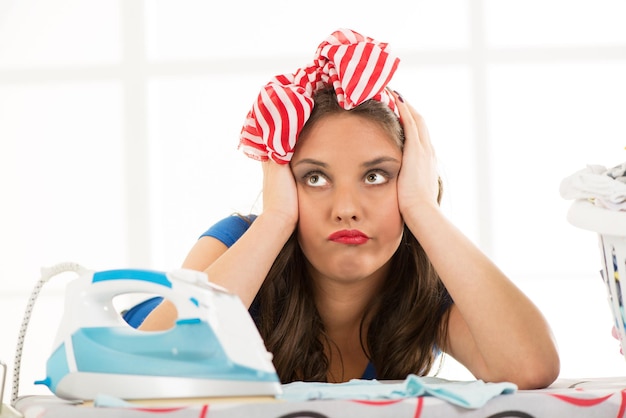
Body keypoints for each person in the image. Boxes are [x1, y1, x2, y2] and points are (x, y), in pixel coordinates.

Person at [140, 29, 560, 389]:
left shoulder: (424, 285)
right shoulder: (239, 242)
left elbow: (530, 367)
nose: (346, 209)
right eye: (315, 179)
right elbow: (148, 363)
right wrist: (276, 219)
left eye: (376, 176)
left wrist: (422, 208)